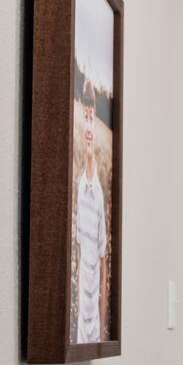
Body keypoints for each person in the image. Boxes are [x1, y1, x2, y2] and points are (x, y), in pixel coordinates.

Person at [69, 72, 109, 343]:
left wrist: (104, 320)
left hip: (93, 318)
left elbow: (91, 157)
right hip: (84, 320)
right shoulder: (82, 188)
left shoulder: (93, 189)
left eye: (91, 114)